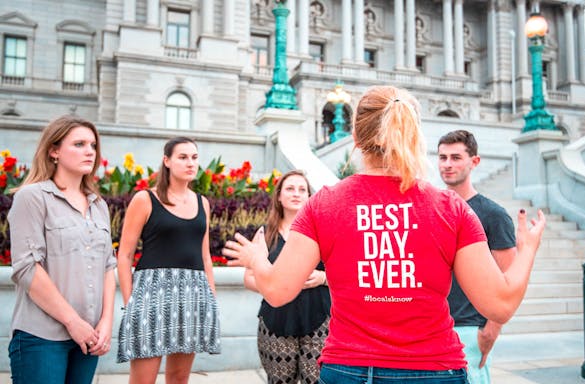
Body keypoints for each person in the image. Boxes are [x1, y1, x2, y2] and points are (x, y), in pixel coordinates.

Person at [222, 85, 546, 384]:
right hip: (434, 368)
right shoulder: (450, 208)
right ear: (412, 137)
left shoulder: (325, 205)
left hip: (349, 368)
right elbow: (499, 305)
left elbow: (278, 290)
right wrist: (527, 248)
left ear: (356, 138)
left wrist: (257, 259)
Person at [8, 115, 116, 383]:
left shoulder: (98, 205)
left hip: (88, 338)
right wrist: (72, 322)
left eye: (92, 145)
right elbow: (27, 269)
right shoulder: (32, 198)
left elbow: (108, 266)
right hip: (41, 337)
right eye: (79, 144)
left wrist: (105, 323)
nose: (89, 151)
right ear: (54, 151)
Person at [116, 137, 221, 384]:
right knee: (143, 380)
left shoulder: (202, 202)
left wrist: (211, 299)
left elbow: (205, 255)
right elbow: (124, 255)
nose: (190, 163)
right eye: (183, 157)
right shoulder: (144, 199)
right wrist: (130, 303)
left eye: (194, 157)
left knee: (178, 379)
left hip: (193, 295)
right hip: (152, 294)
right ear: (167, 161)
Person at [438, 130, 516, 384]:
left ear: (474, 161)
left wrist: (490, 331)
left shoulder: (494, 215)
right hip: (432, 326)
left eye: (456, 157)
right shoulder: (431, 208)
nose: (447, 165)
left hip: (470, 330)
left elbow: (509, 279)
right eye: (443, 157)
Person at [244, 170, 330, 384]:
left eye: (302, 190)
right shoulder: (265, 235)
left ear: (309, 197)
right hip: (276, 322)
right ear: (279, 196)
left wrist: (322, 277)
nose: (296, 194)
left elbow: (342, 273)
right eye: (290, 189)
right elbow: (248, 277)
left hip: (319, 320)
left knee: (316, 380)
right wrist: (274, 285)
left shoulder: (323, 232)